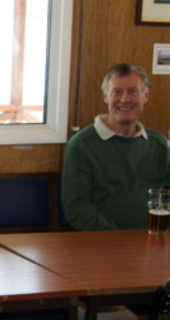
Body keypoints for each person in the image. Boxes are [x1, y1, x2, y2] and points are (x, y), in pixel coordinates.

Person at [62, 63, 170, 231]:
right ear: (106, 97)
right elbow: (77, 210)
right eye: (117, 92)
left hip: (156, 238)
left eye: (133, 91)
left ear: (146, 96)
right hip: (104, 241)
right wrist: (119, 239)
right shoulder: (81, 146)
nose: (124, 99)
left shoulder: (160, 144)